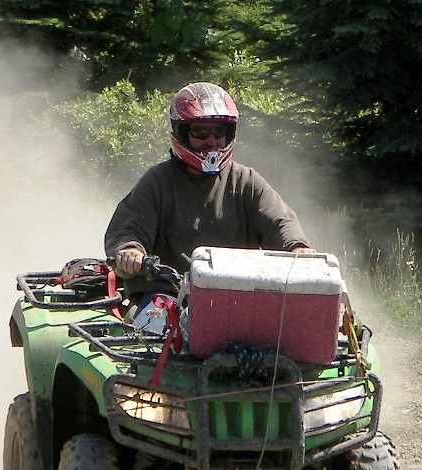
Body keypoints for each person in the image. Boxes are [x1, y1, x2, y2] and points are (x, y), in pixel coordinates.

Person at [105, 81, 315, 310]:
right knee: (159, 323)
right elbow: (128, 228)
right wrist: (130, 251)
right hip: (167, 300)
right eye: (201, 132)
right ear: (181, 132)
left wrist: (297, 248)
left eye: (219, 132)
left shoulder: (246, 181)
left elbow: (279, 221)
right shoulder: (158, 181)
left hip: (237, 300)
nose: (212, 141)